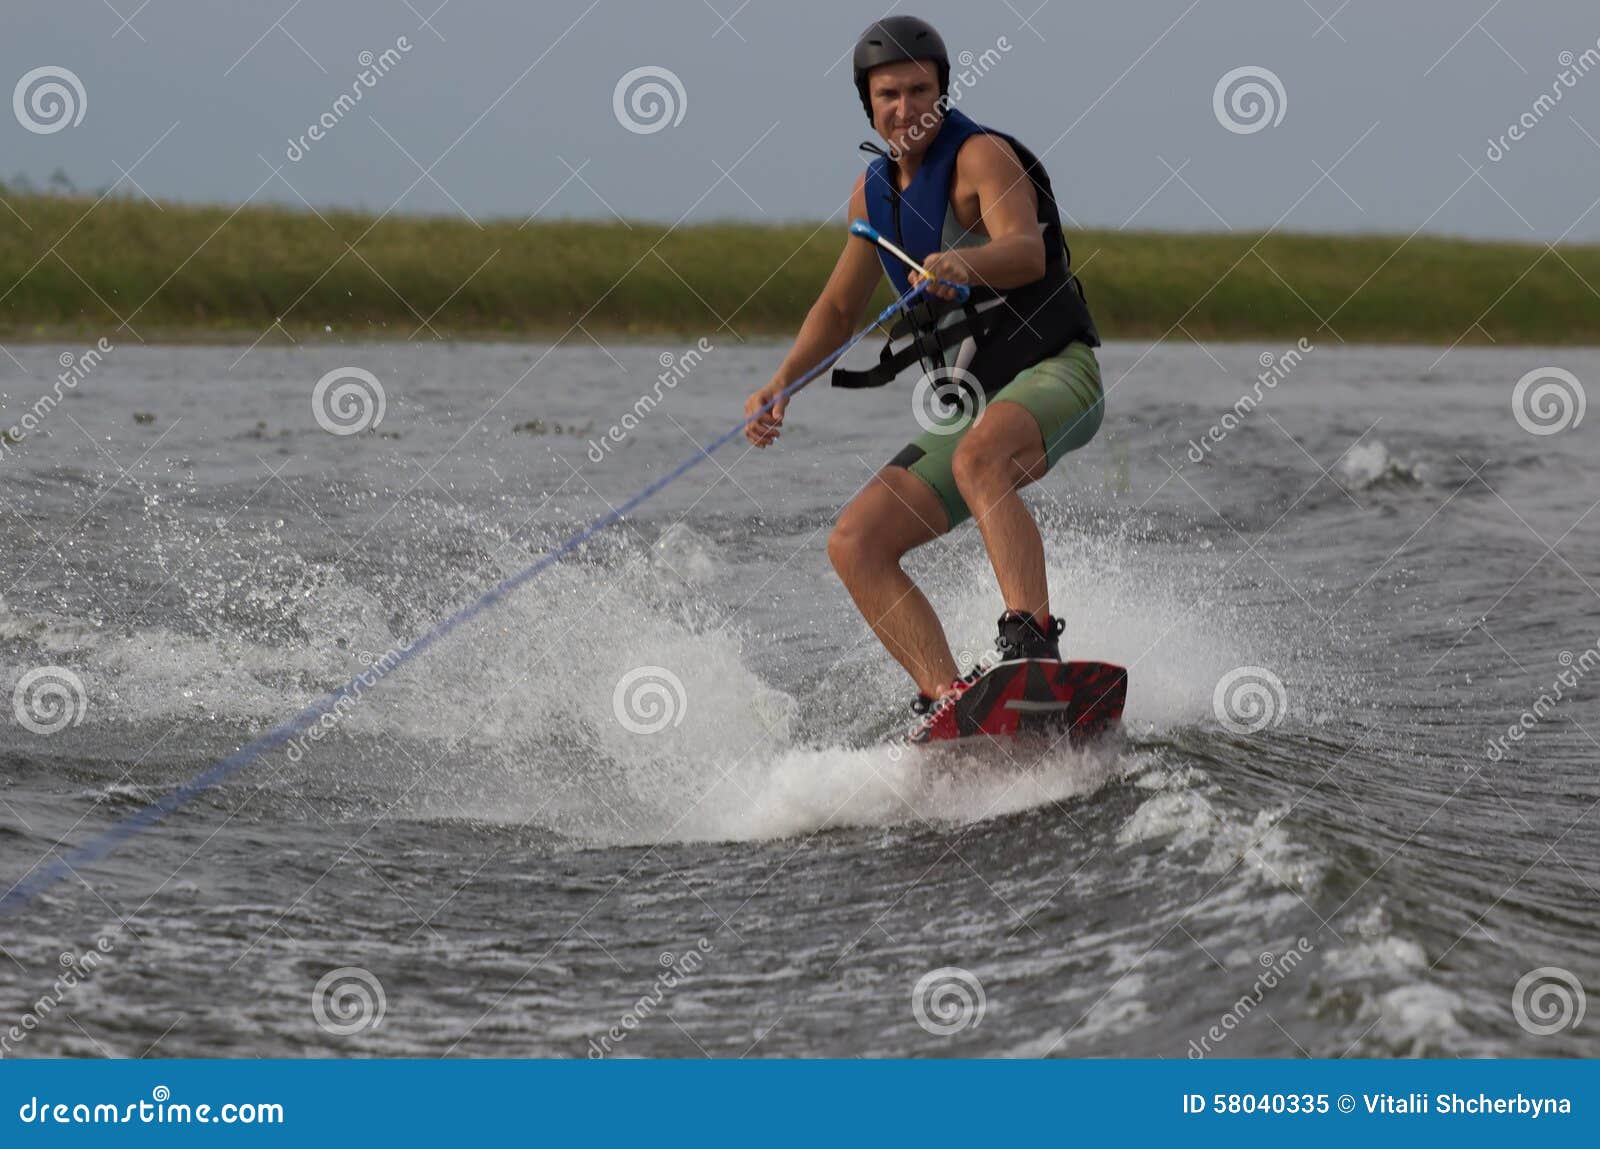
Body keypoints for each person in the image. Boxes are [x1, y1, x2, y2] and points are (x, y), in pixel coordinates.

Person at [743, 15, 1104, 720]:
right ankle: (951, 704)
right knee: (856, 542)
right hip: (979, 405)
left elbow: (1025, 250)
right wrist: (782, 383)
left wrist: (963, 263)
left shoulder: (982, 157)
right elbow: (838, 311)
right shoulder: (871, 194)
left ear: (942, 92)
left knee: (978, 458)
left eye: (919, 90)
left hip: (1058, 373)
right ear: (868, 104)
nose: (905, 108)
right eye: (889, 95)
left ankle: (1032, 648)